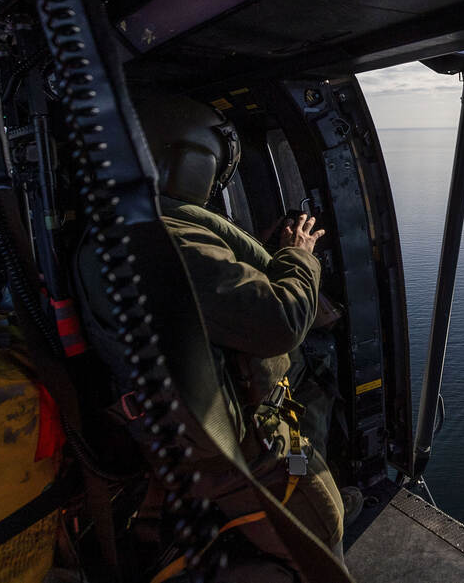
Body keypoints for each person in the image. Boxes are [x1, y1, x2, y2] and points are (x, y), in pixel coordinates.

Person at [125, 92, 346, 568]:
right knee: (324, 528)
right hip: (252, 452)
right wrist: (300, 256)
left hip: (184, 438)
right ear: (191, 161)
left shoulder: (121, 232)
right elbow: (282, 321)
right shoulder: (171, 242)